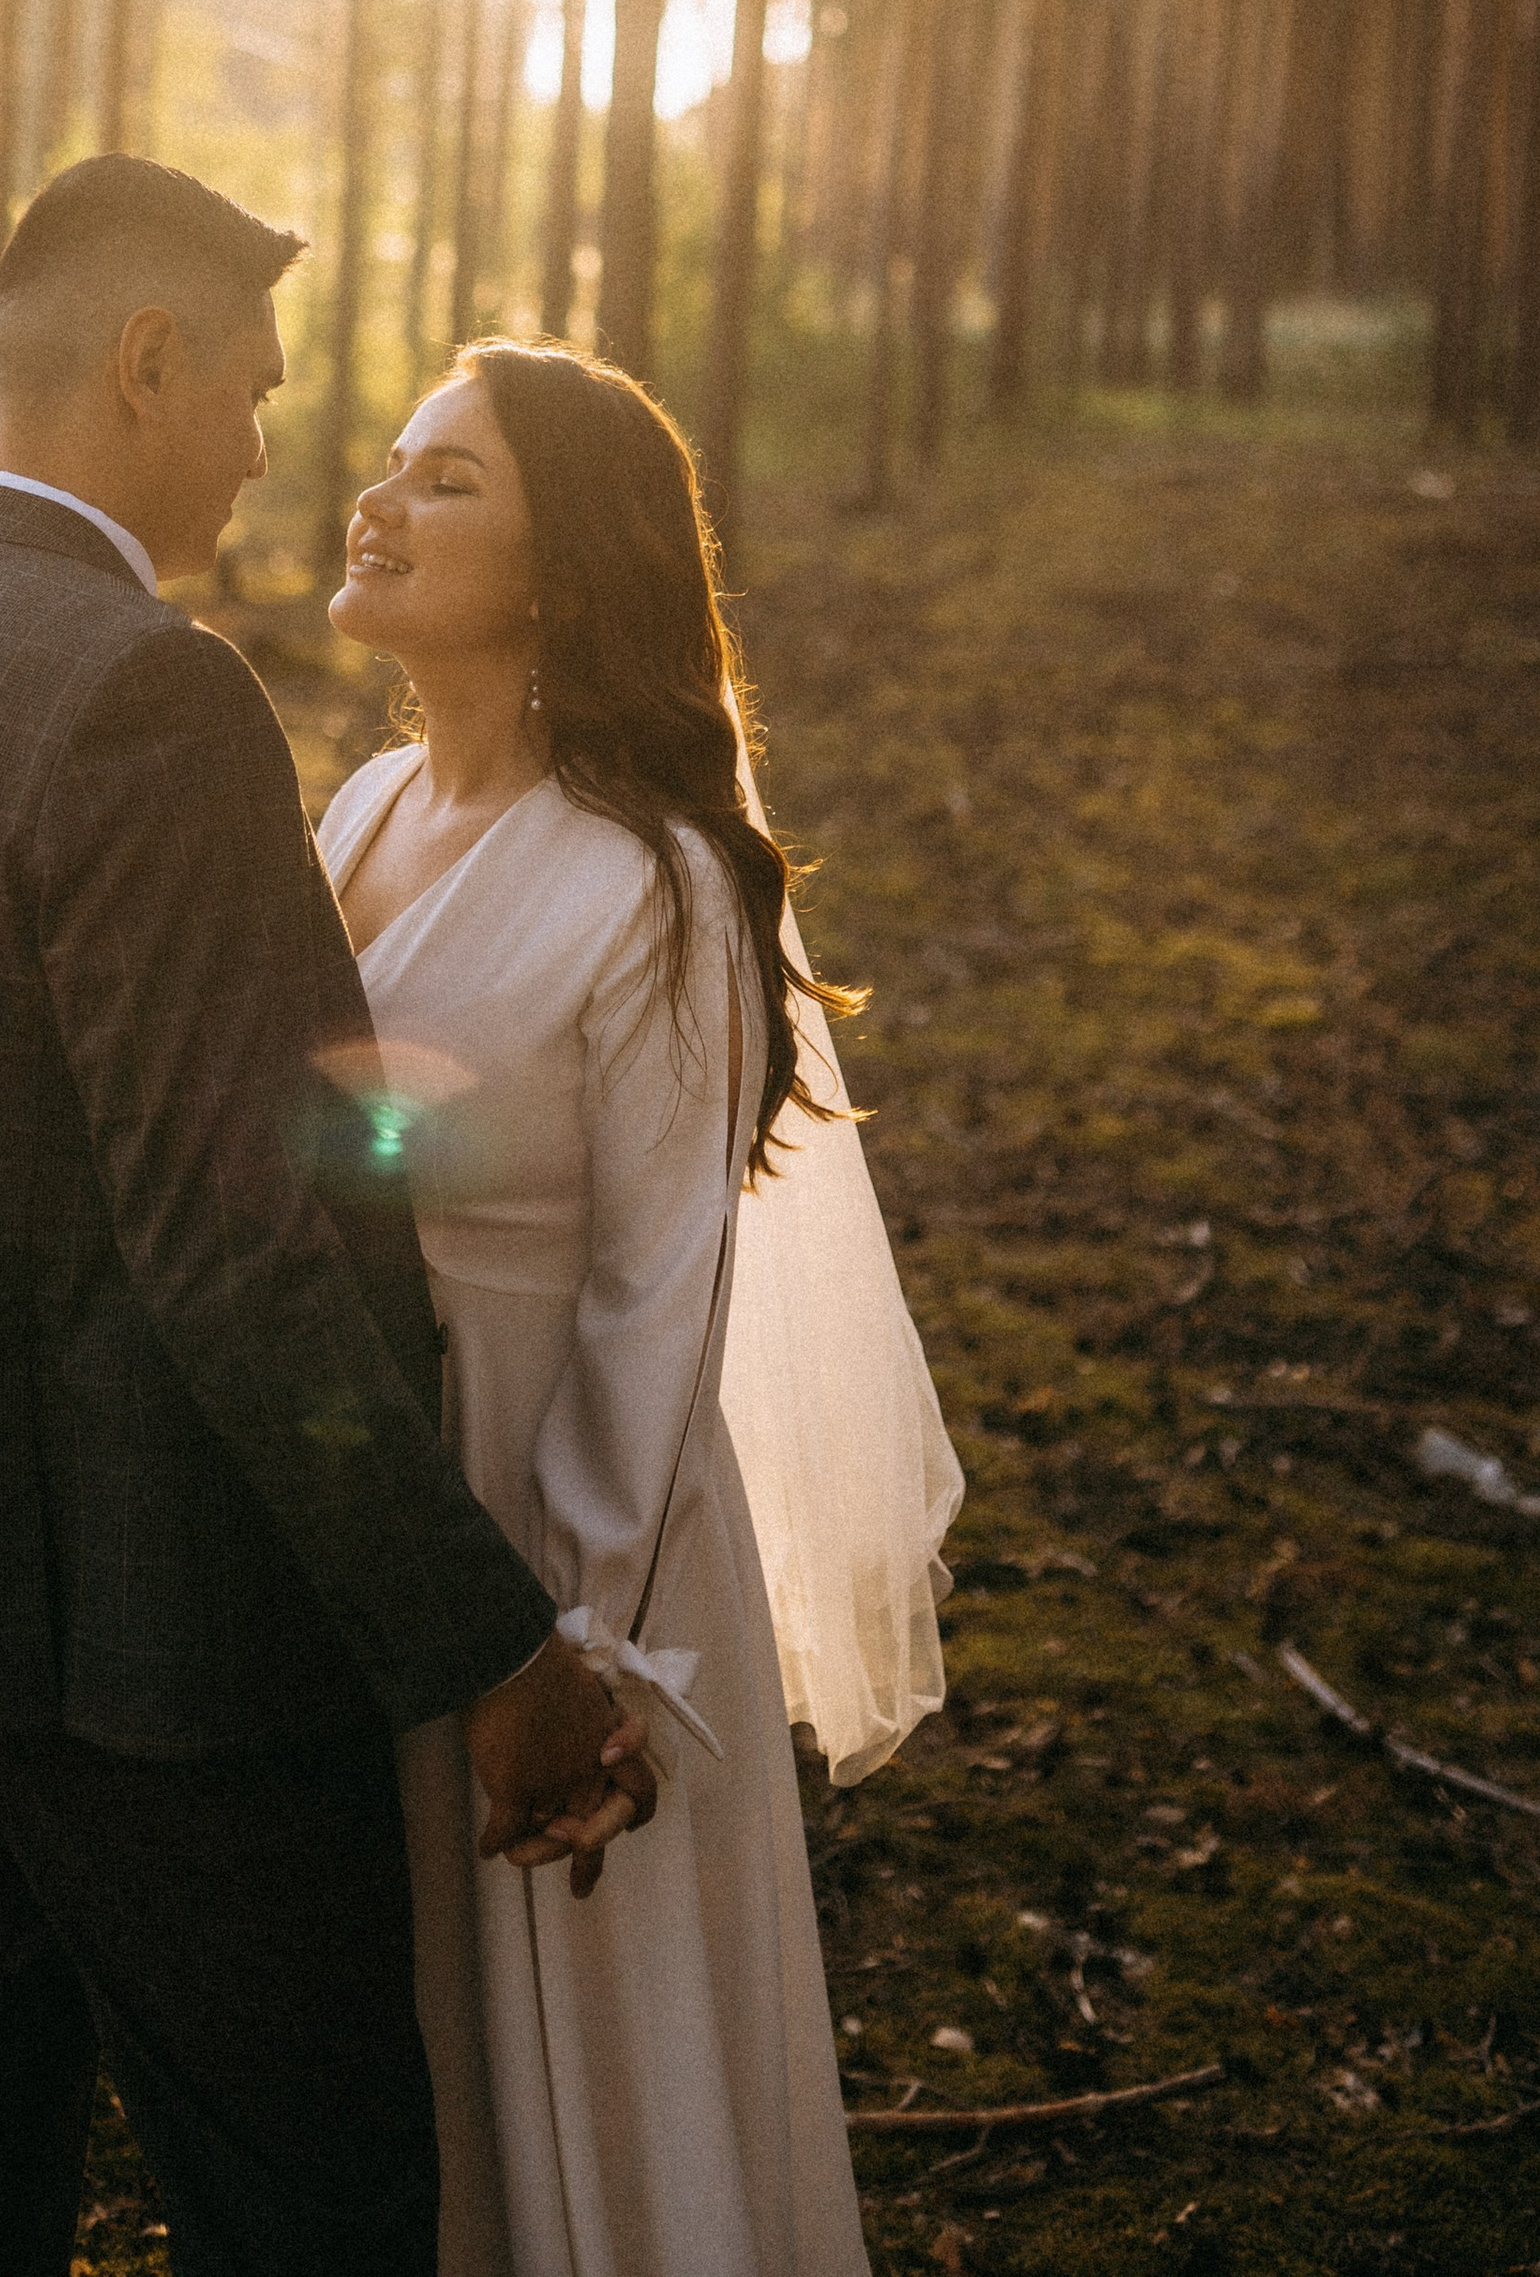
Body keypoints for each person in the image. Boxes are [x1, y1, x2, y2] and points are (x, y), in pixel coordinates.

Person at [0, 159, 651, 2277]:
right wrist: (482, 1640)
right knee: (316, 2205)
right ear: (146, 362)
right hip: (178, 1656)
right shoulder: (144, 697)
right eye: (247, 386)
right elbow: (233, 1244)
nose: (268, 445)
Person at [325, 338, 963, 2277]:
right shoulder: (348, 815)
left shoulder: (657, 885)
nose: (377, 499)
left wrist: (575, 1648)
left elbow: (647, 1304)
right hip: (372, 1502)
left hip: (558, 1517)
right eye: (393, 459)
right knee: (395, 2044)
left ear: (564, 569)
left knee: (578, 2058)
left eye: (448, 483)